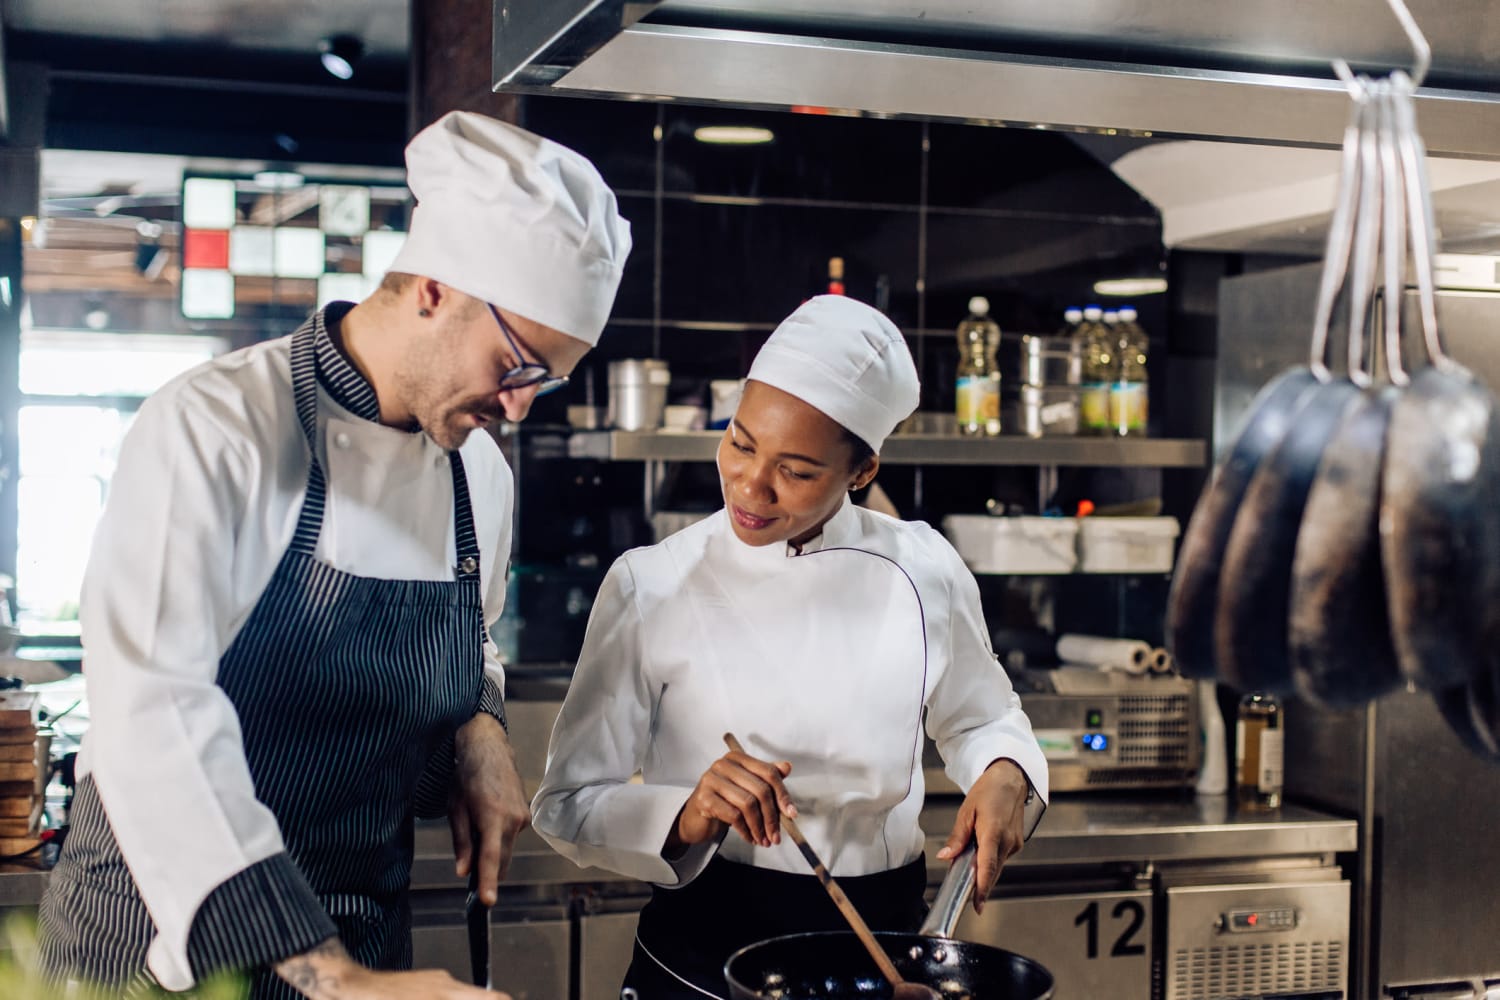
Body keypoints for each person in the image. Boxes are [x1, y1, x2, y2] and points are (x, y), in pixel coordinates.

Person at [36, 111, 632, 999]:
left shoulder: (480, 475)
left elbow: (477, 638)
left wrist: (480, 724)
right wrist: (332, 978)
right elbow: (150, 711)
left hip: (360, 926)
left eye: (545, 379)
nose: (519, 409)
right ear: (433, 288)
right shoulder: (216, 426)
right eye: (516, 365)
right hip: (166, 942)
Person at [531, 295, 1048, 999]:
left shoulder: (924, 566)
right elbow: (567, 803)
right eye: (740, 443)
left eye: (797, 470)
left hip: (883, 946)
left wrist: (1005, 770)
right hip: (701, 957)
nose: (751, 485)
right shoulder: (650, 584)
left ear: (861, 472)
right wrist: (686, 813)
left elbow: (981, 718)